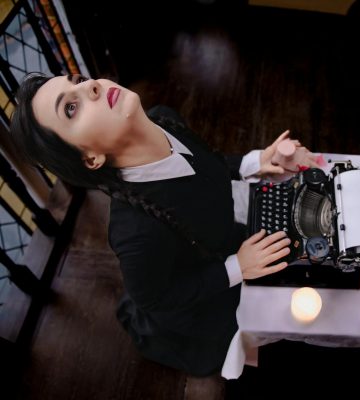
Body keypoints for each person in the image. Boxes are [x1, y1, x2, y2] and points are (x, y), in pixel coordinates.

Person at [9, 73, 319, 377]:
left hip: (221, 231)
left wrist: (254, 162)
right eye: (70, 108)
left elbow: (204, 162)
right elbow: (156, 299)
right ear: (91, 158)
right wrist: (238, 266)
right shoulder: (136, 234)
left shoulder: (163, 117)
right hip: (199, 286)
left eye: (78, 80)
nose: (90, 86)